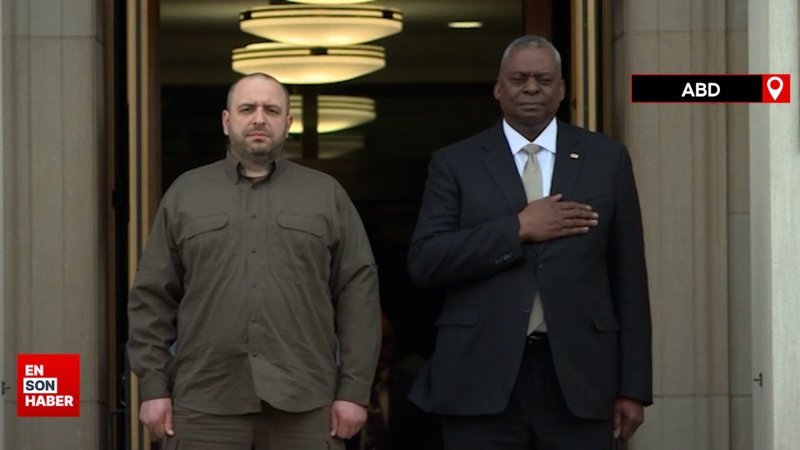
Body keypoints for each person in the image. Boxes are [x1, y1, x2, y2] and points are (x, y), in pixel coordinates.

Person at [407, 35, 652, 449]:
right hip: (479, 376)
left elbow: (629, 277)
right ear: (498, 88)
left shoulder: (606, 159)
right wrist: (517, 228)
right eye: (519, 79)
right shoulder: (456, 162)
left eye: (544, 79)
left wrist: (633, 387)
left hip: (581, 376)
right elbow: (426, 260)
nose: (531, 88)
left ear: (562, 89)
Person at [127, 72, 381, 450]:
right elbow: (151, 297)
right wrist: (153, 387)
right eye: (247, 109)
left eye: (271, 110)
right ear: (226, 121)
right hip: (204, 405)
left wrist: (354, 391)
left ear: (288, 123)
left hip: (306, 406)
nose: (259, 118)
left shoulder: (326, 195)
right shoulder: (186, 194)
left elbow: (358, 295)